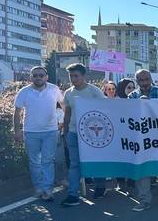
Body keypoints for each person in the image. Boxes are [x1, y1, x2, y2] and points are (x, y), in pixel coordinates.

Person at [13, 66, 63, 202]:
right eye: (35, 75)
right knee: (34, 161)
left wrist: (63, 121)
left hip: (51, 132)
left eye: (41, 75)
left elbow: (63, 104)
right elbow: (17, 112)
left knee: (47, 161)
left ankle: (48, 190)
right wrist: (17, 131)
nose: (38, 77)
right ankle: (38, 187)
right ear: (31, 77)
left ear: (46, 77)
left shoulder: (54, 89)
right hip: (30, 132)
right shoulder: (24, 92)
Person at [60, 63, 107, 206]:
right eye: (71, 76)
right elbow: (67, 114)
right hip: (74, 133)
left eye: (76, 76)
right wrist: (65, 132)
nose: (73, 79)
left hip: (93, 134)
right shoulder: (68, 93)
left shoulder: (94, 91)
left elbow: (105, 110)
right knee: (74, 164)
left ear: (83, 76)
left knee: (95, 160)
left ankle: (100, 185)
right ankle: (73, 195)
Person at [128, 69, 158, 211]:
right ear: (137, 81)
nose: (144, 83)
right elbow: (129, 119)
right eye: (141, 80)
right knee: (143, 170)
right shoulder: (132, 97)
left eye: (146, 79)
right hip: (141, 141)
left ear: (151, 79)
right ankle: (144, 199)